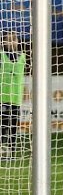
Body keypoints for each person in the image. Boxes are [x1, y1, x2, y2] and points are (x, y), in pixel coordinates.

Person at [0, 31, 25, 160]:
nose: (12, 42)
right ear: (4, 42)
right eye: (9, 39)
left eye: (14, 39)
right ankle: (2, 150)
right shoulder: (1, 55)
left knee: (13, 126)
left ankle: (11, 152)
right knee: (3, 125)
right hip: (2, 97)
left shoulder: (23, 56)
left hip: (16, 97)